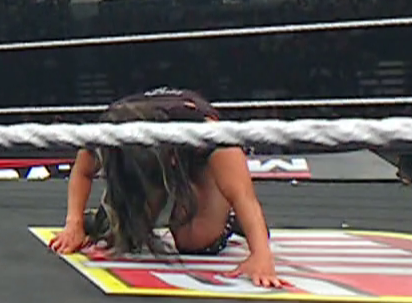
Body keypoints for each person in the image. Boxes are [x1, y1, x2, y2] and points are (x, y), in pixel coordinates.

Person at [48, 88, 284, 288]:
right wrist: (74, 224)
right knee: (126, 236)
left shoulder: (208, 133)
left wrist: (260, 254)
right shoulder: (111, 131)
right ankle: (110, 218)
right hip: (148, 153)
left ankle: (228, 221)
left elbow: (243, 195)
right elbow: (82, 170)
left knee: (195, 240)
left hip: (195, 159)